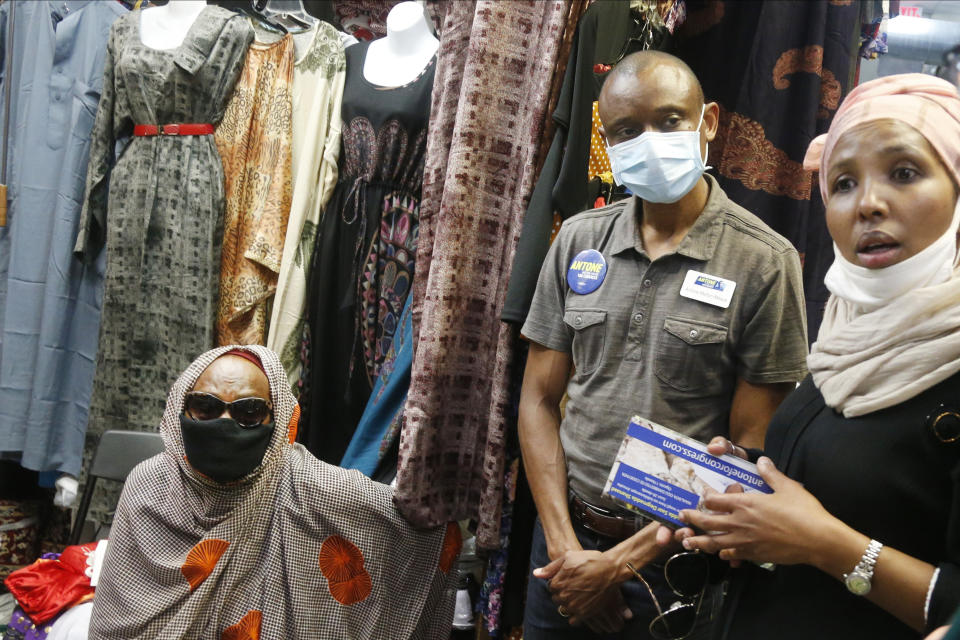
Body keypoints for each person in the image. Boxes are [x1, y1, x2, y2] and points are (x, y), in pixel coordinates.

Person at [518, 50, 809, 639]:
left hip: (673, 570)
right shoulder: (579, 240)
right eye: (627, 130)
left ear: (708, 122)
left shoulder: (764, 262)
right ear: (608, 140)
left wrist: (619, 565)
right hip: (561, 550)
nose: (649, 141)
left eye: (671, 119)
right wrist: (568, 551)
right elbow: (537, 401)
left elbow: (748, 457)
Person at [667, 73, 960, 639]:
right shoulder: (845, 331)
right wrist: (747, 492)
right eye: (843, 183)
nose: (868, 204)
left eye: (904, 173)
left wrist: (826, 545)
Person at [89, 346, 461, 640]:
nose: (224, 423)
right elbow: (114, 623)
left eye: (248, 412)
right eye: (205, 407)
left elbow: (413, 522)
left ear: (277, 418)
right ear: (179, 408)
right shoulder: (148, 486)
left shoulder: (306, 484)